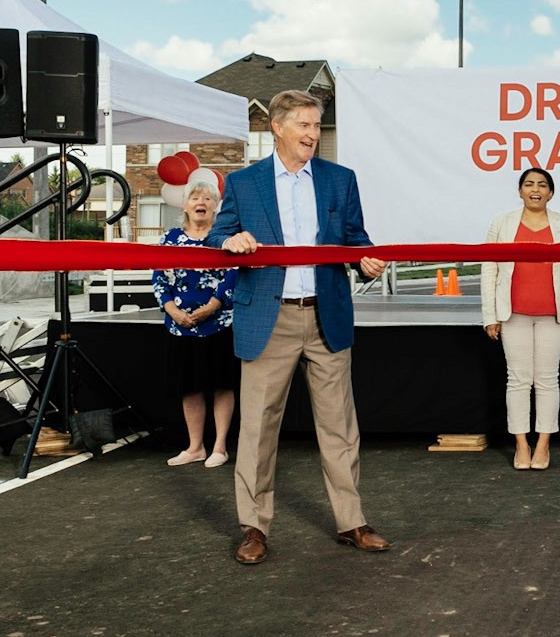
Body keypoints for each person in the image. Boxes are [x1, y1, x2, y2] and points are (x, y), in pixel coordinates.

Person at [211, 89, 390, 566]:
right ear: (277, 127)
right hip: (267, 319)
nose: (313, 134)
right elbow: (215, 234)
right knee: (258, 431)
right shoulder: (244, 183)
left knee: (340, 428)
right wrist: (231, 239)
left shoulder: (339, 180)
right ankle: (253, 527)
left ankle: (352, 521)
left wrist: (365, 260)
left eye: (317, 125)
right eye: (305, 125)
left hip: (326, 315)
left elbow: (355, 239)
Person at [480, 167, 560, 471]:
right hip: (512, 313)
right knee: (517, 380)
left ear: (551, 193)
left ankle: (543, 445)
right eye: (529, 184)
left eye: (542, 184)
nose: (535, 189)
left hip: (553, 315)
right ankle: (521, 445)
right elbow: (489, 270)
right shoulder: (501, 224)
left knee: (546, 380)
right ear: (520, 191)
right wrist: (490, 315)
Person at [152, 175, 238, 469]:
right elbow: (159, 278)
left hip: (220, 324)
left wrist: (212, 306)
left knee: (222, 385)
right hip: (180, 326)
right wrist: (172, 311)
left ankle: (220, 447)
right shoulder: (169, 239)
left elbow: (234, 275)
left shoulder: (224, 239)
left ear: (216, 206)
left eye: (207, 199)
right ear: (185, 206)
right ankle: (195, 447)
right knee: (189, 387)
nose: (201, 203)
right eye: (195, 198)